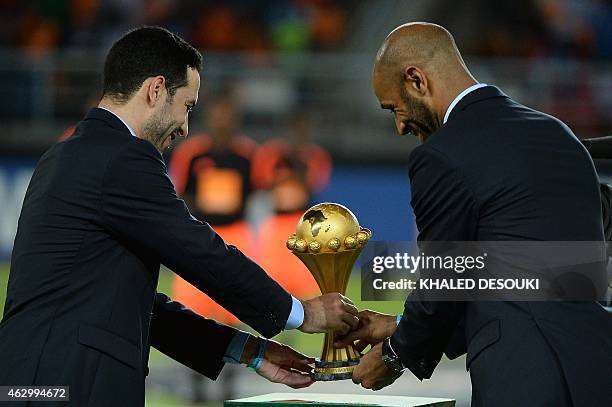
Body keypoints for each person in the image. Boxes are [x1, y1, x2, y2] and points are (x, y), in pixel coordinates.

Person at [0, 26, 359, 406]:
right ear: (155, 90)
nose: (186, 127)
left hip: (33, 381)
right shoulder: (123, 158)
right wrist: (300, 313)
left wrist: (249, 350)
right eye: (187, 106)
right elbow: (197, 249)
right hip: (70, 382)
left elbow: (129, 300)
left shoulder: (63, 155)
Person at [337, 23, 612, 406]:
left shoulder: (442, 155)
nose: (400, 125)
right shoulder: (558, 134)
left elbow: (443, 280)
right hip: (597, 372)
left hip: (524, 379)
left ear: (416, 80)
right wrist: (398, 325)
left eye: (393, 108)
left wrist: (395, 355)